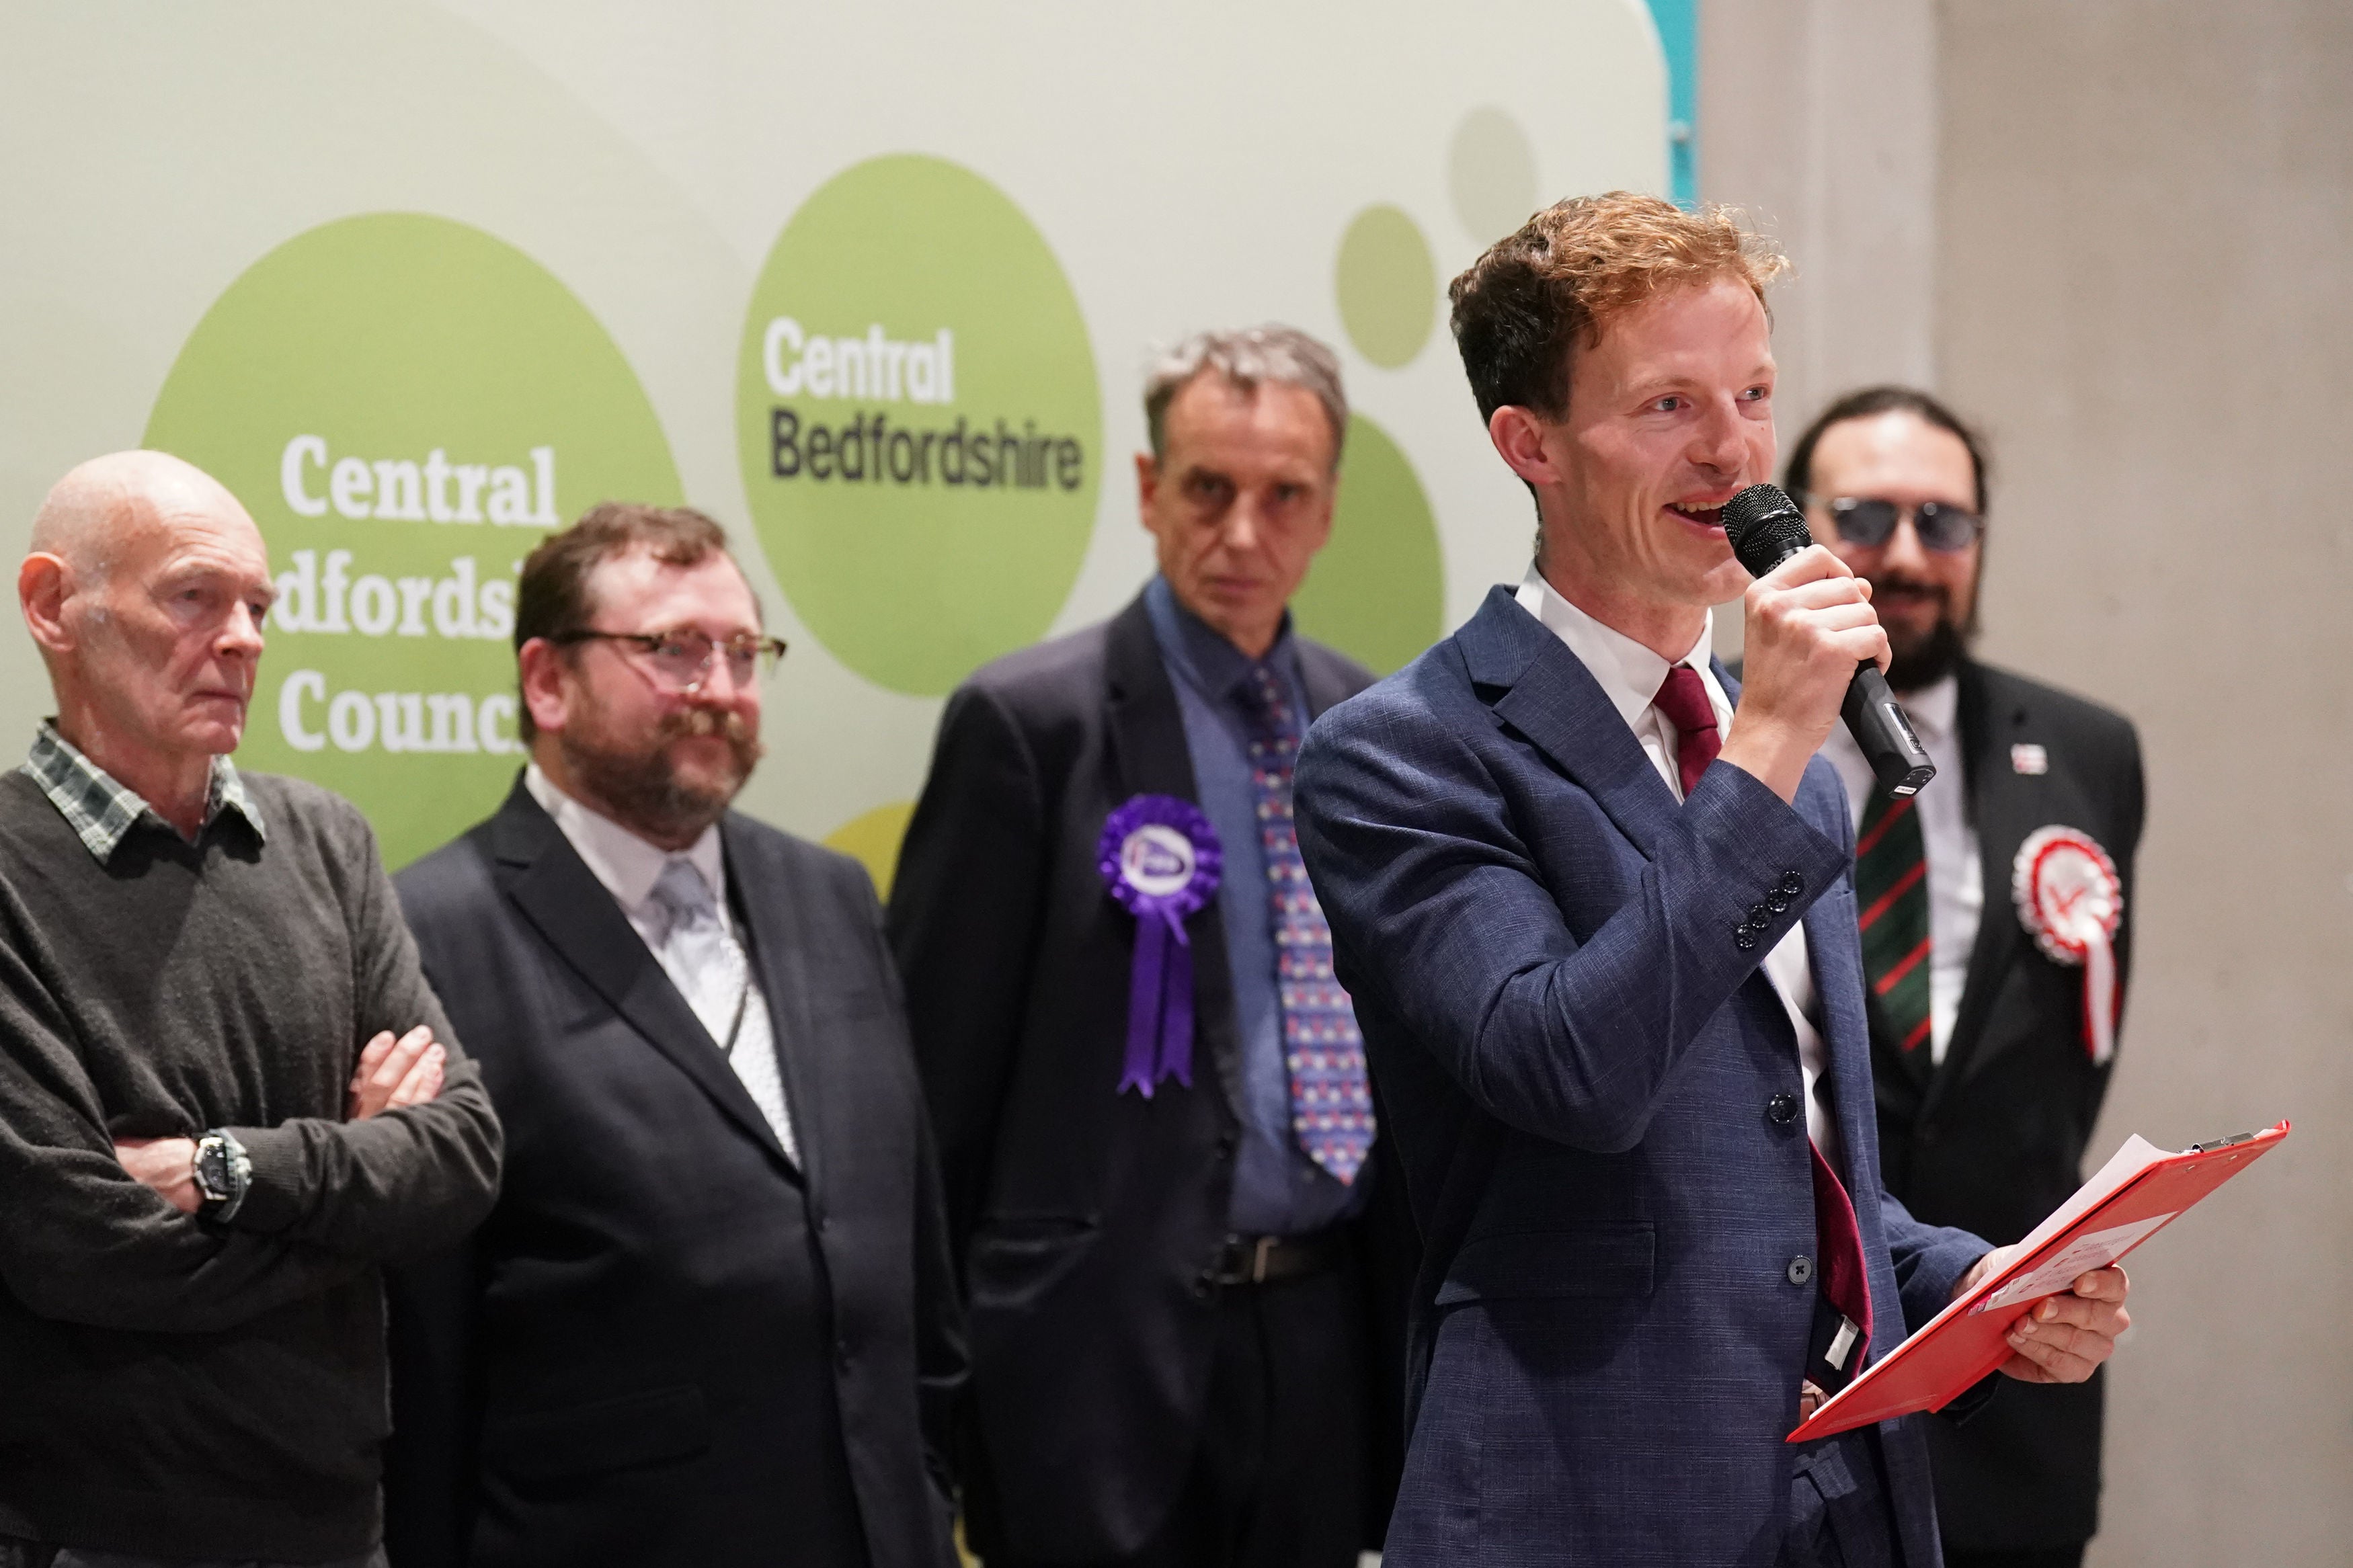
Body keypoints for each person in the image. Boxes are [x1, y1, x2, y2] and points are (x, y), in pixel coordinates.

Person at [1291, 194, 2133, 1566]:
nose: (1737, 454)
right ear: (1530, 445)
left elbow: (1780, 1139)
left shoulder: (1777, 752)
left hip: (1835, 1505)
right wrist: (1759, 754)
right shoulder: (1403, 755)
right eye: (1667, 405)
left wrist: (1966, 1283)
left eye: (1750, 392)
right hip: (1577, 1503)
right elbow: (1574, 1072)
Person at [889, 327, 1410, 1568]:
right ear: (1145, 491)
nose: (1243, 533)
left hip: (1331, 1336)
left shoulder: (1376, 725)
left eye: (1283, 495)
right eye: (1207, 489)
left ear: (1329, 512)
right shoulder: (1030, 728)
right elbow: (931, 1104)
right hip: (1091, 1365)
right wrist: (939, 1395)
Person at [383, 504, 961, 1568]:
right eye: (672, 648)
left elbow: (914, 1262)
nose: (721, 687)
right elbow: (420, 1362)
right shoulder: (429, 935)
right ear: (546, 681)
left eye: (744, 652)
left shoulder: (830, 894)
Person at [0, 451, 502, 1567]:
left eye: (259, 607)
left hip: (340, 1528)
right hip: (95, 1534)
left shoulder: (326, 839)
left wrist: (226, 1172)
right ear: (53, 606)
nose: (244, 639)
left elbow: (460, 1156)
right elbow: (72, 1242)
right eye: (193, 596)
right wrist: (360, 1184)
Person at [1785, 387, 2144, 1568]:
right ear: (1797, 531)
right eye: (1867, 516)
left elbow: (2068, 1066)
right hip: (1794, 1379)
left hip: (2021, 1374)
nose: (1906, 554)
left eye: (1945, 523)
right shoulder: (1723, 742)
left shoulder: (2087, 750)